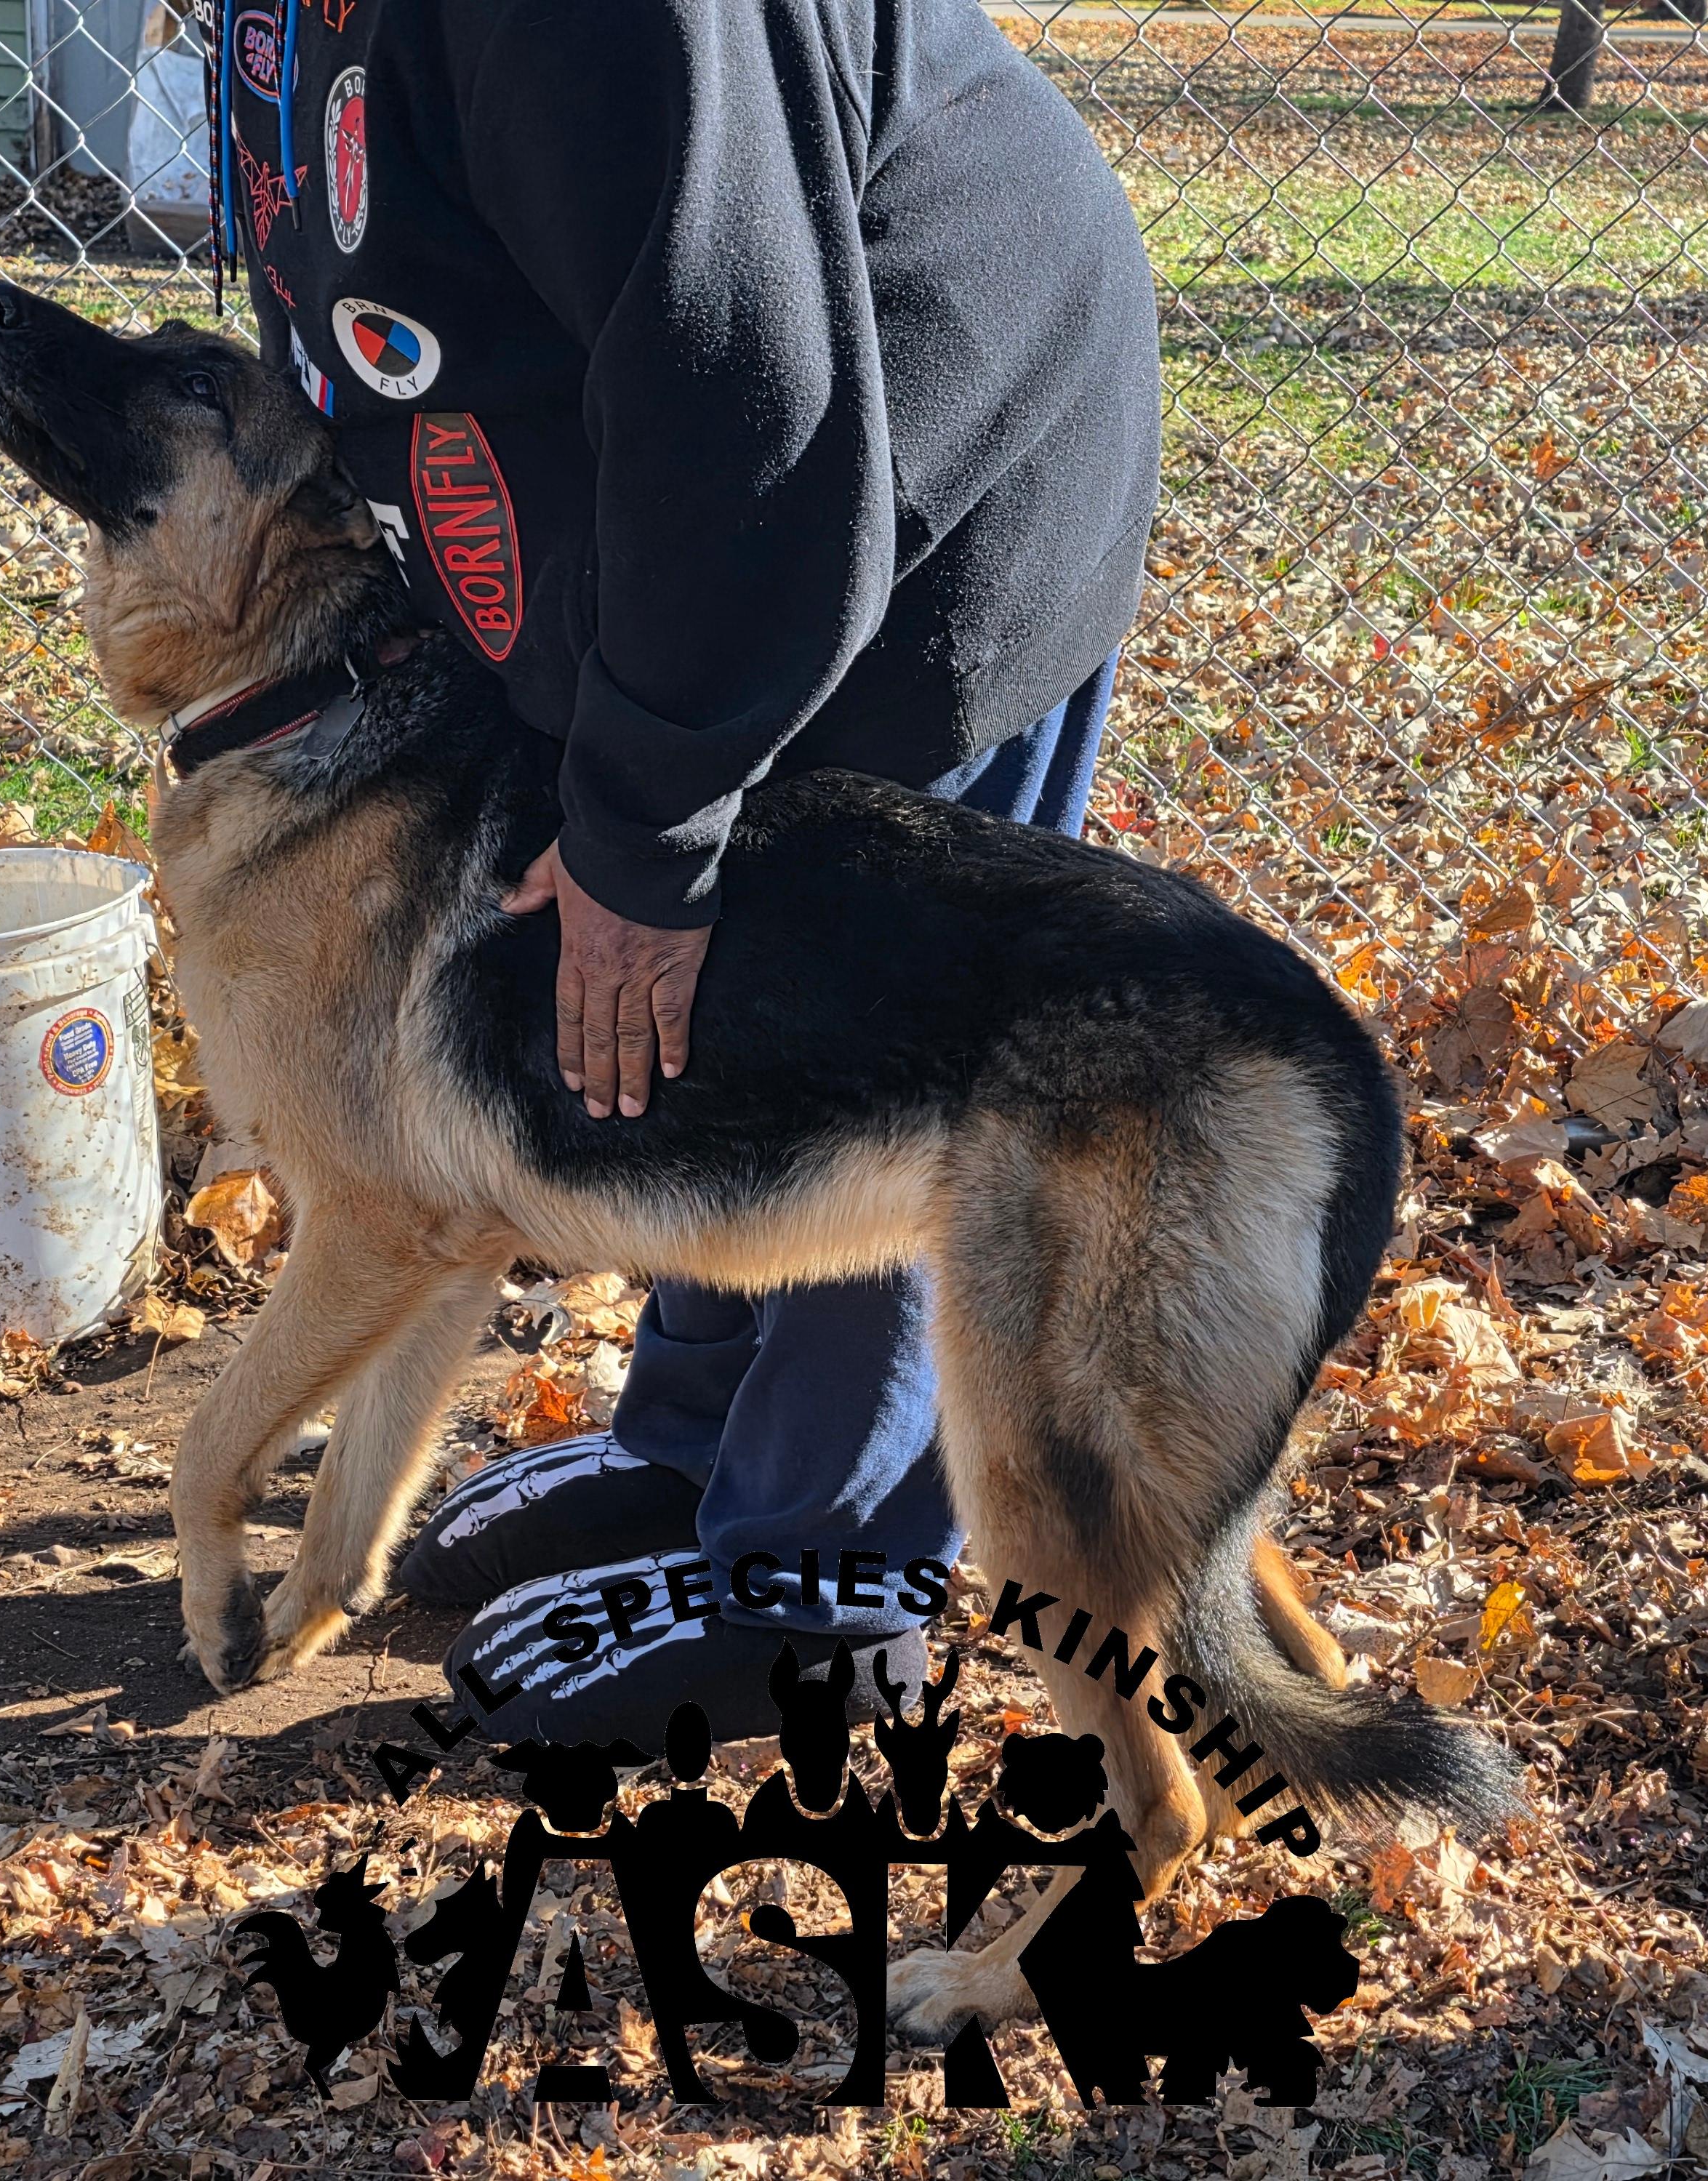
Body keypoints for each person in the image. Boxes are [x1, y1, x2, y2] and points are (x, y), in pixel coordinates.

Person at [211, 0, 1161, 1742]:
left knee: (844, 1047)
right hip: (700, 509)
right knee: (675, 1029)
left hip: (905, 488)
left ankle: (819, 1589)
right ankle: (693, 1456)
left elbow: (746, 401)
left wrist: (650, 823)